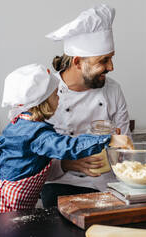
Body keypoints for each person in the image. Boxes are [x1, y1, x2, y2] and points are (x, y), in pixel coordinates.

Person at [0, 64, 133, 214]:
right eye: (55, 94)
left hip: (8, 203)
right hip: (4, 207)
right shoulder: (35, 134)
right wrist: (110, 139)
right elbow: (69, 146)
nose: (59, 98)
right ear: (43, 102)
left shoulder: (22, 123)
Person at [41, 4, 131, 208]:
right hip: (61, 185)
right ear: (78, 62)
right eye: (104, 60)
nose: (111, 67)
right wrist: (66, 163)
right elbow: (33, 160)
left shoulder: (113, 90)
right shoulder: (46, 94)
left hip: (109, 186)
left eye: (111, 58)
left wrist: (124, 150)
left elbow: (126, 147)